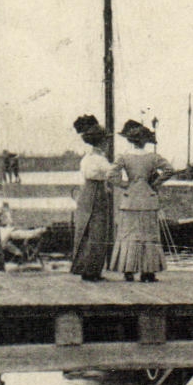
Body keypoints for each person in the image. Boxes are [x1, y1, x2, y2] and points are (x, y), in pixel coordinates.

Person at [109, 119, 174, 282]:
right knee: (149, 234)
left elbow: (110, 175)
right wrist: (154, 184)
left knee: (129, 234)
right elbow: (169, 170)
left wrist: (125, 185)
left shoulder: (123, 157)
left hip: (130, 199)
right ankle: (148, 272)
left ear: (130, 141)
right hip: (148, 199)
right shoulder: (153, 157)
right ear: (145, 141)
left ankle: (128, 270)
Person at [70, 115, 117, 281]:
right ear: (101, 142)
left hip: (86, 192)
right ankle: (93, 270)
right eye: (106, 140)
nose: (108, 143)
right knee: (98, 231)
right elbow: (112, 174)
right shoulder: (99, 159)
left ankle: (85, 267)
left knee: (86, 230)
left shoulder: (87, 158)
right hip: (97, 194)